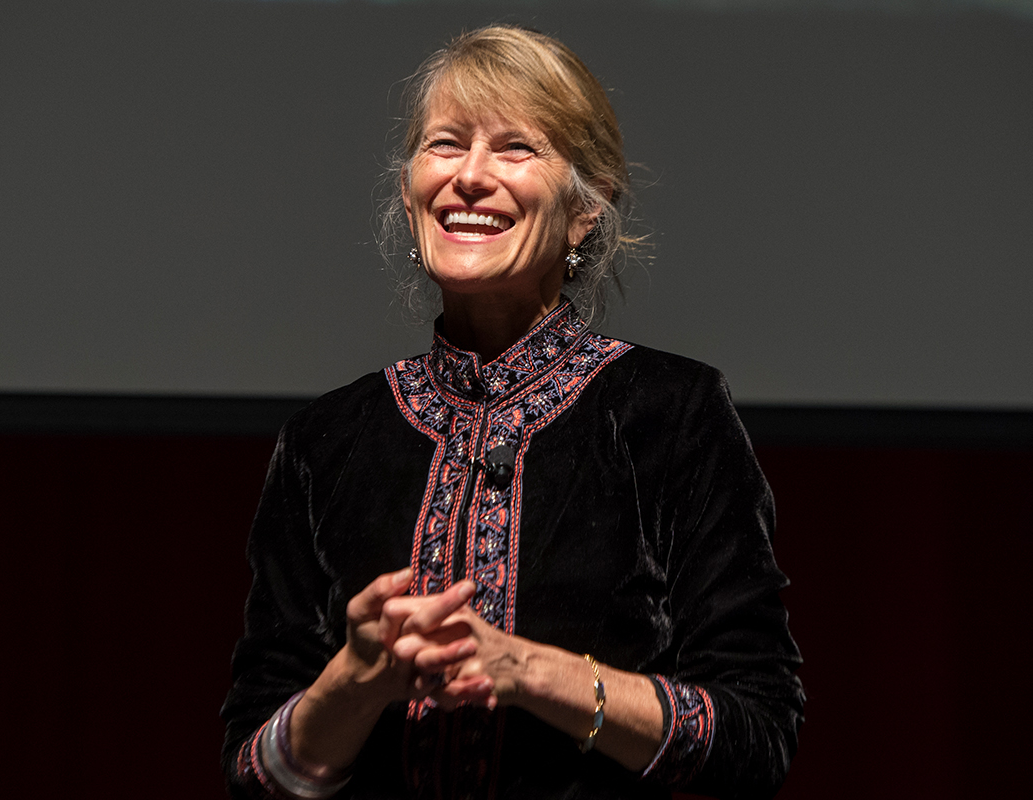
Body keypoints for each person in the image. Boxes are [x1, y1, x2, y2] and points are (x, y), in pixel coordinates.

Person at [222, 24, 803, 800]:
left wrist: (527, 671)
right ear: (407, 190)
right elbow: (256, 776)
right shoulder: (322, 443)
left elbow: (755, 738)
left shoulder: (672, 414)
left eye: (516, 149)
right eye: (444, 144)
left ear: (584, 210)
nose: (470, 177)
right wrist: (355, 683)